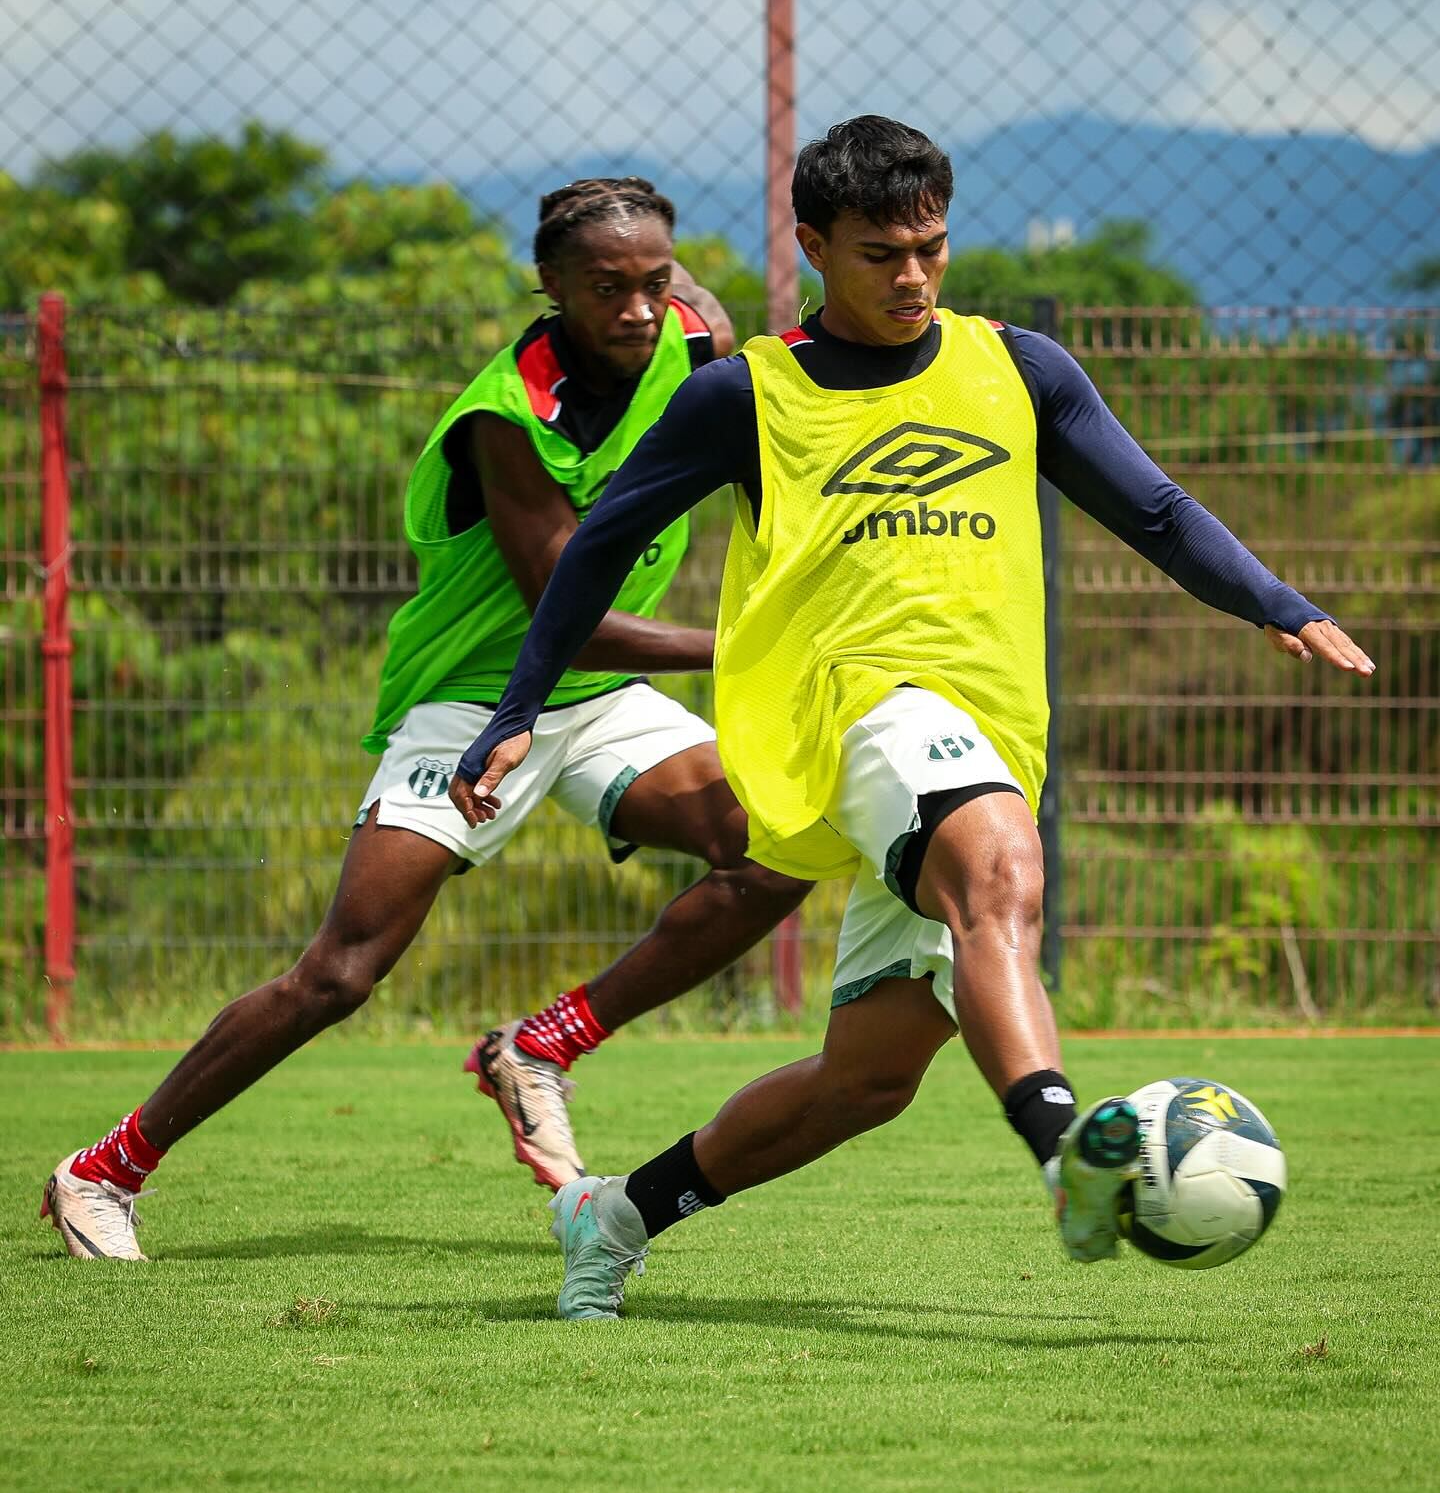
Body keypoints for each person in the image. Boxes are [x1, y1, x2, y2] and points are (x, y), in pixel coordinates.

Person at [451, 117, 1377, 1319]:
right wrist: (519, 705)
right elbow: (597, 549)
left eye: (931, 248)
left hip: (991, 726)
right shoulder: (747, 393)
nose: (914, 277)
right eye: (881, 254)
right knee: (999, 869)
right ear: (814, 246)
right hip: (850, 708)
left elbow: (1154, 510)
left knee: (867, 1080)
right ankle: (1068, 1153)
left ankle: (614, 1214)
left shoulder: (1019, 369)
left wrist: (1280, 603)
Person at [41, 176, 810, 1261]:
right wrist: (746, 645)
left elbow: (713, 333)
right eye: (606, 287)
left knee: (776, 845)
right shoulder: (505, 417)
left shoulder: (690, 341)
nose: (637, 309)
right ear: (550, 285)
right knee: (341, 971)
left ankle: (543, 1045)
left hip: (598, 703)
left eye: (652, 281)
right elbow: (570, 619)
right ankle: (103, 1169)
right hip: (477, 699)